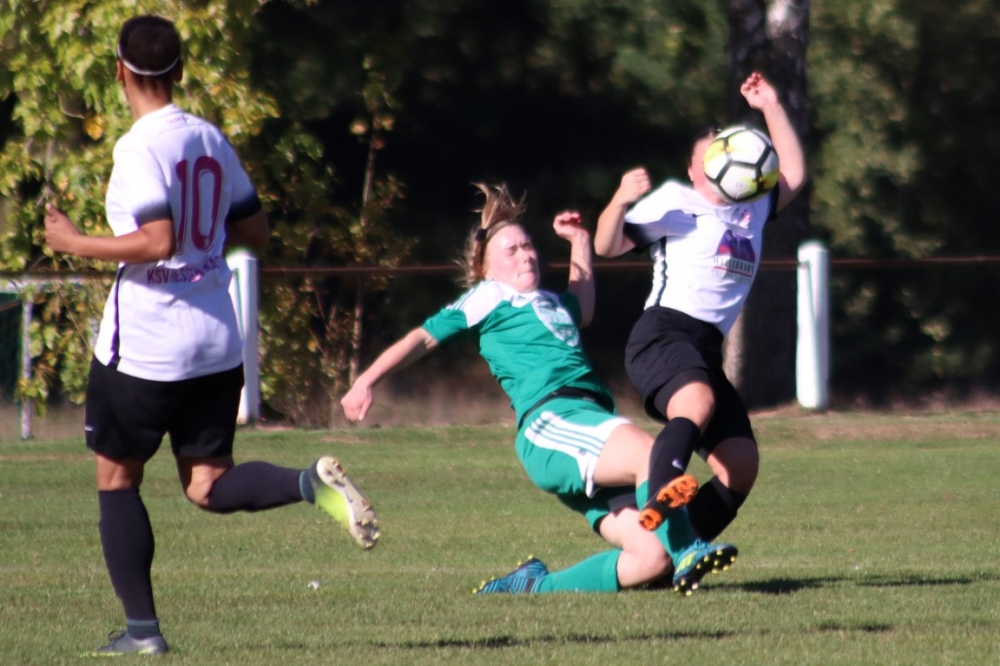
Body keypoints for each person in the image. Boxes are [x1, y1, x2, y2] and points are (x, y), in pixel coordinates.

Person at [42, 15, 379, 657]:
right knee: (208, 483)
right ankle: (309, 483)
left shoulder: (138, 147)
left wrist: (72, 241)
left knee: (116, 479)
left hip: (146, 346)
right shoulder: (209, 139)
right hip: (215, 339)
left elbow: (156, 240)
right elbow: (257, 231)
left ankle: (142, 634)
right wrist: (207, 239)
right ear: (177, 70)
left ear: (120, 73)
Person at [341, 183, 737, 597]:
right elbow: (421, 339)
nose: (526, 253)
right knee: (649, 456)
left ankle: (533, 587)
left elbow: (583, 307)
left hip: (589, 423)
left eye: (528, 246)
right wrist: (366, 380)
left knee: (651, 560)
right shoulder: (488, 297)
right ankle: (690, 547)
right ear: (485, 269)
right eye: (511, 250)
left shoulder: (549, 302)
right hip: (552, 423)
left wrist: (581, 242)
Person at [593, 71, 807, 543]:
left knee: (741, 465)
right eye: (709, 157)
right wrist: (618, 201)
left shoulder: (751, 209)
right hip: (663, 335)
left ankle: (679, 550)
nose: (720, 164)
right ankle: (660, 498)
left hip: (706, 348)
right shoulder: (676, 202)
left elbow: (794, 172)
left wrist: (770, 105)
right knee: (698, 402)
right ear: (694, 170)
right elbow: (606, 246)